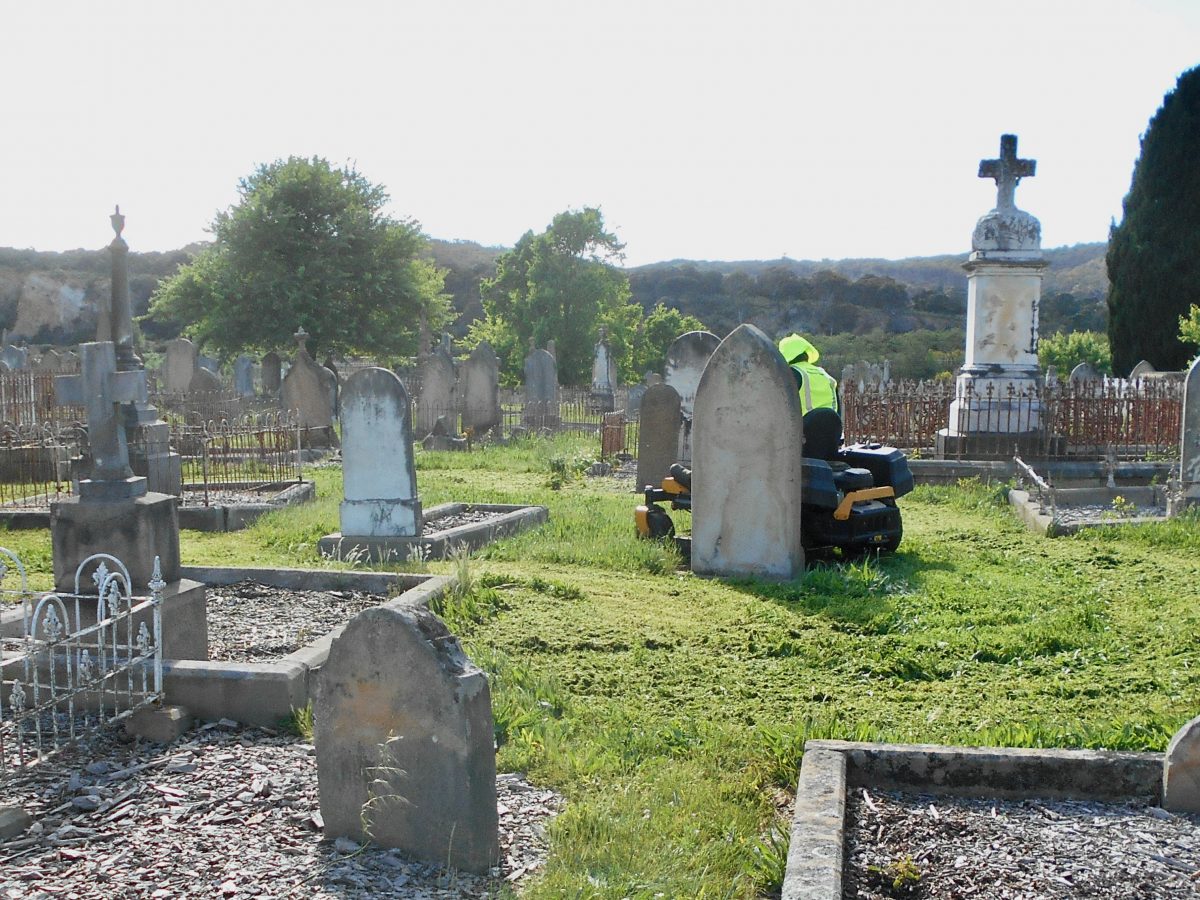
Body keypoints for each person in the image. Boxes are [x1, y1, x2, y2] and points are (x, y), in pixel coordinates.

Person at [777, 333, 839, 415]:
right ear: (806, 355)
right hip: (833, 426)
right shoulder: (825, 375)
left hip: (803, 426)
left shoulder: (792, 374)